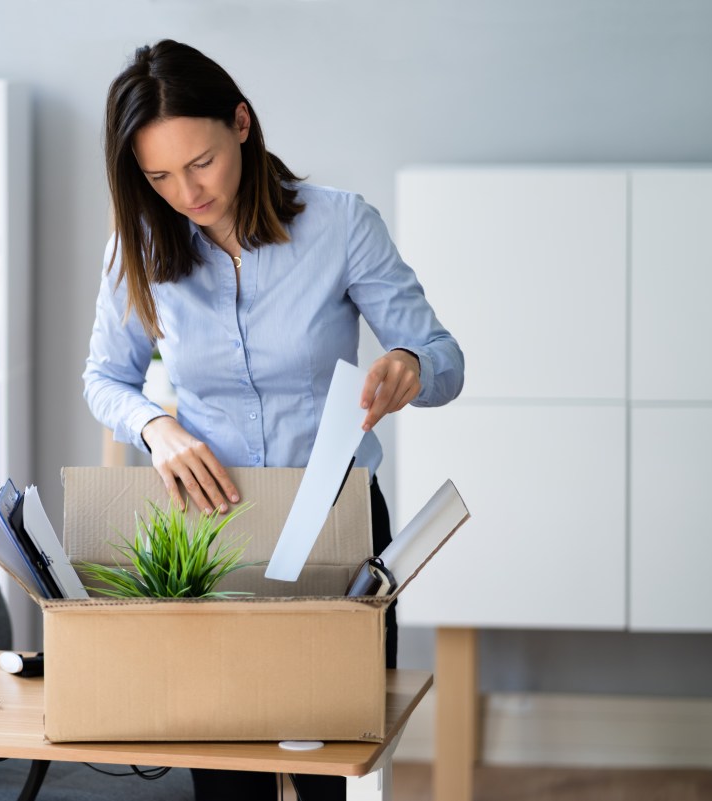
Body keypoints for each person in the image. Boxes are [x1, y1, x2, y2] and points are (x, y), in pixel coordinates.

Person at [82, 39, 464, 801]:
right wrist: (157, 427)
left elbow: (443, 357)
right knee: (224, 772)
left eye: (201, 162)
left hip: (337, 523)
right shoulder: (141, 240)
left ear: (242, 124)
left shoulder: (342, 224)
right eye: (158, 176)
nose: (186, 191)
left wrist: (409, 367)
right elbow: (105, 378)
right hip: (208, 531)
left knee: (330, 760)